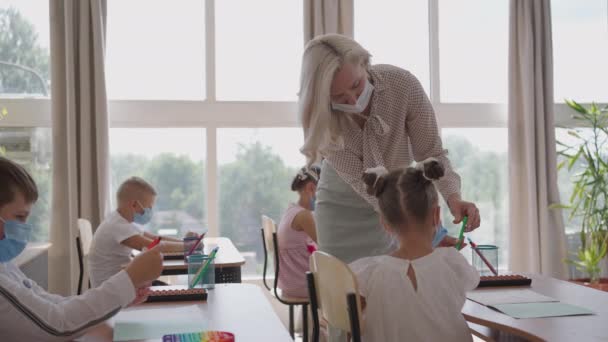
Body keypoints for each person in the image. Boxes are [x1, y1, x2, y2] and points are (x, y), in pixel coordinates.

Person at [297, 33, 481, 263]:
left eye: (356, 85)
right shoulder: (325, 123)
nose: (353, 101)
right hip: (344, 209)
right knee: (351, 291)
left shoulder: (403, 86)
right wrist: (426, 234)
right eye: (339, 97)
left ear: (365, 64)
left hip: (397, 204)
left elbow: (431, 154)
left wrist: (453, 199)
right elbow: (371, 190)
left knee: (395, 286)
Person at [0, 156, 163, 340]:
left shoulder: (6, 265)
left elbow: (51, 305)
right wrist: (128, 280)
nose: (25, 227)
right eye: (20, 216)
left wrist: (122, 296)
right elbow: (56, 325)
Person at [349, 159, 480, 341]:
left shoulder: (366, 273)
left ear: (384, 223)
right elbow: (472, 281)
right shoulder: (452, 261)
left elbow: (346, 319)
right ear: (436, 215)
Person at [88, 176, 184, 287]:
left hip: (122, 283)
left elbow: (154, 238)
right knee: (172, 292)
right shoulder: (118, 226)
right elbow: (153, 246)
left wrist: (184, 242)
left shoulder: (123, 221)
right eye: (149, 207)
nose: (150, 212)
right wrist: (187, 247)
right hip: (113, 291)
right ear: (134, 204)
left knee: (167, 289)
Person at [277, 166, 320, 298]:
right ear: (311, 188)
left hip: (289, 283)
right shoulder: (304, 216)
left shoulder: (291, 210)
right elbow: (327, 245)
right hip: (300, 285)